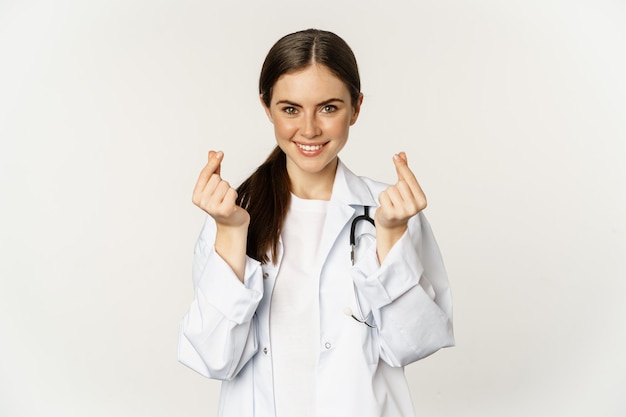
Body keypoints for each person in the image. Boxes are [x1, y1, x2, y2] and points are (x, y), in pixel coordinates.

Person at [178, 28, 454, 417]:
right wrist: (230, 233)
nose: (309, 129)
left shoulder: (389, 211)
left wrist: (390, 239)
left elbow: (413, 344)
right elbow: (213, 358)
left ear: (356, 108)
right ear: (266, 106)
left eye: (328, 108)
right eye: (290, 109)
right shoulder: (233, 214)